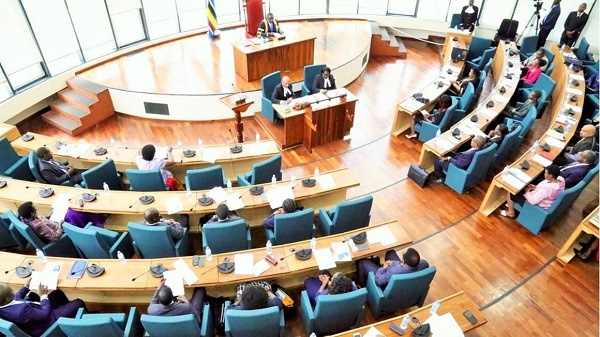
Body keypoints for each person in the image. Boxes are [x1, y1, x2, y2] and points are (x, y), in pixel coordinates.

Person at [0, 279, 85, 337]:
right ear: (7, 299)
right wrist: (43, 295)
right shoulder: (20, 312)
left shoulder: (4, 305)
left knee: (57, 293)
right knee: (78, 302)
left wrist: (26, 286)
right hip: (48, 321)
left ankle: (69, 315)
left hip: (36, 315)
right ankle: (82, 323)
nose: (13, 291)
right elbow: (45, 314)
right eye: (12, 291)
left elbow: (16, 299)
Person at [501, 164, 565, 218]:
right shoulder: (561, 180)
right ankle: (511, 204)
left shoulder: (547, 189)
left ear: (550, 175)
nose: (544, 174)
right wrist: (536, 187)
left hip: (535, 206)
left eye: (545, 173)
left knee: (512, 191)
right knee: (522, 188)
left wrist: (527, 192)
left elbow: (532, 201)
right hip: (544, 198)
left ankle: (511, 212)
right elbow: (545, 191)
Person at [356, 248, 429, 288]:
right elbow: (400, 265)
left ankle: (362, 285)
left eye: (403, 253)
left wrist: (383, 268)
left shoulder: (394, 271)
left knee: (362, 263)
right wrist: (394, 263)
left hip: (386, 279)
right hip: (404, 274)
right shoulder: (424, 264)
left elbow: (378, 282)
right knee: (390, 252)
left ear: (404, 261)